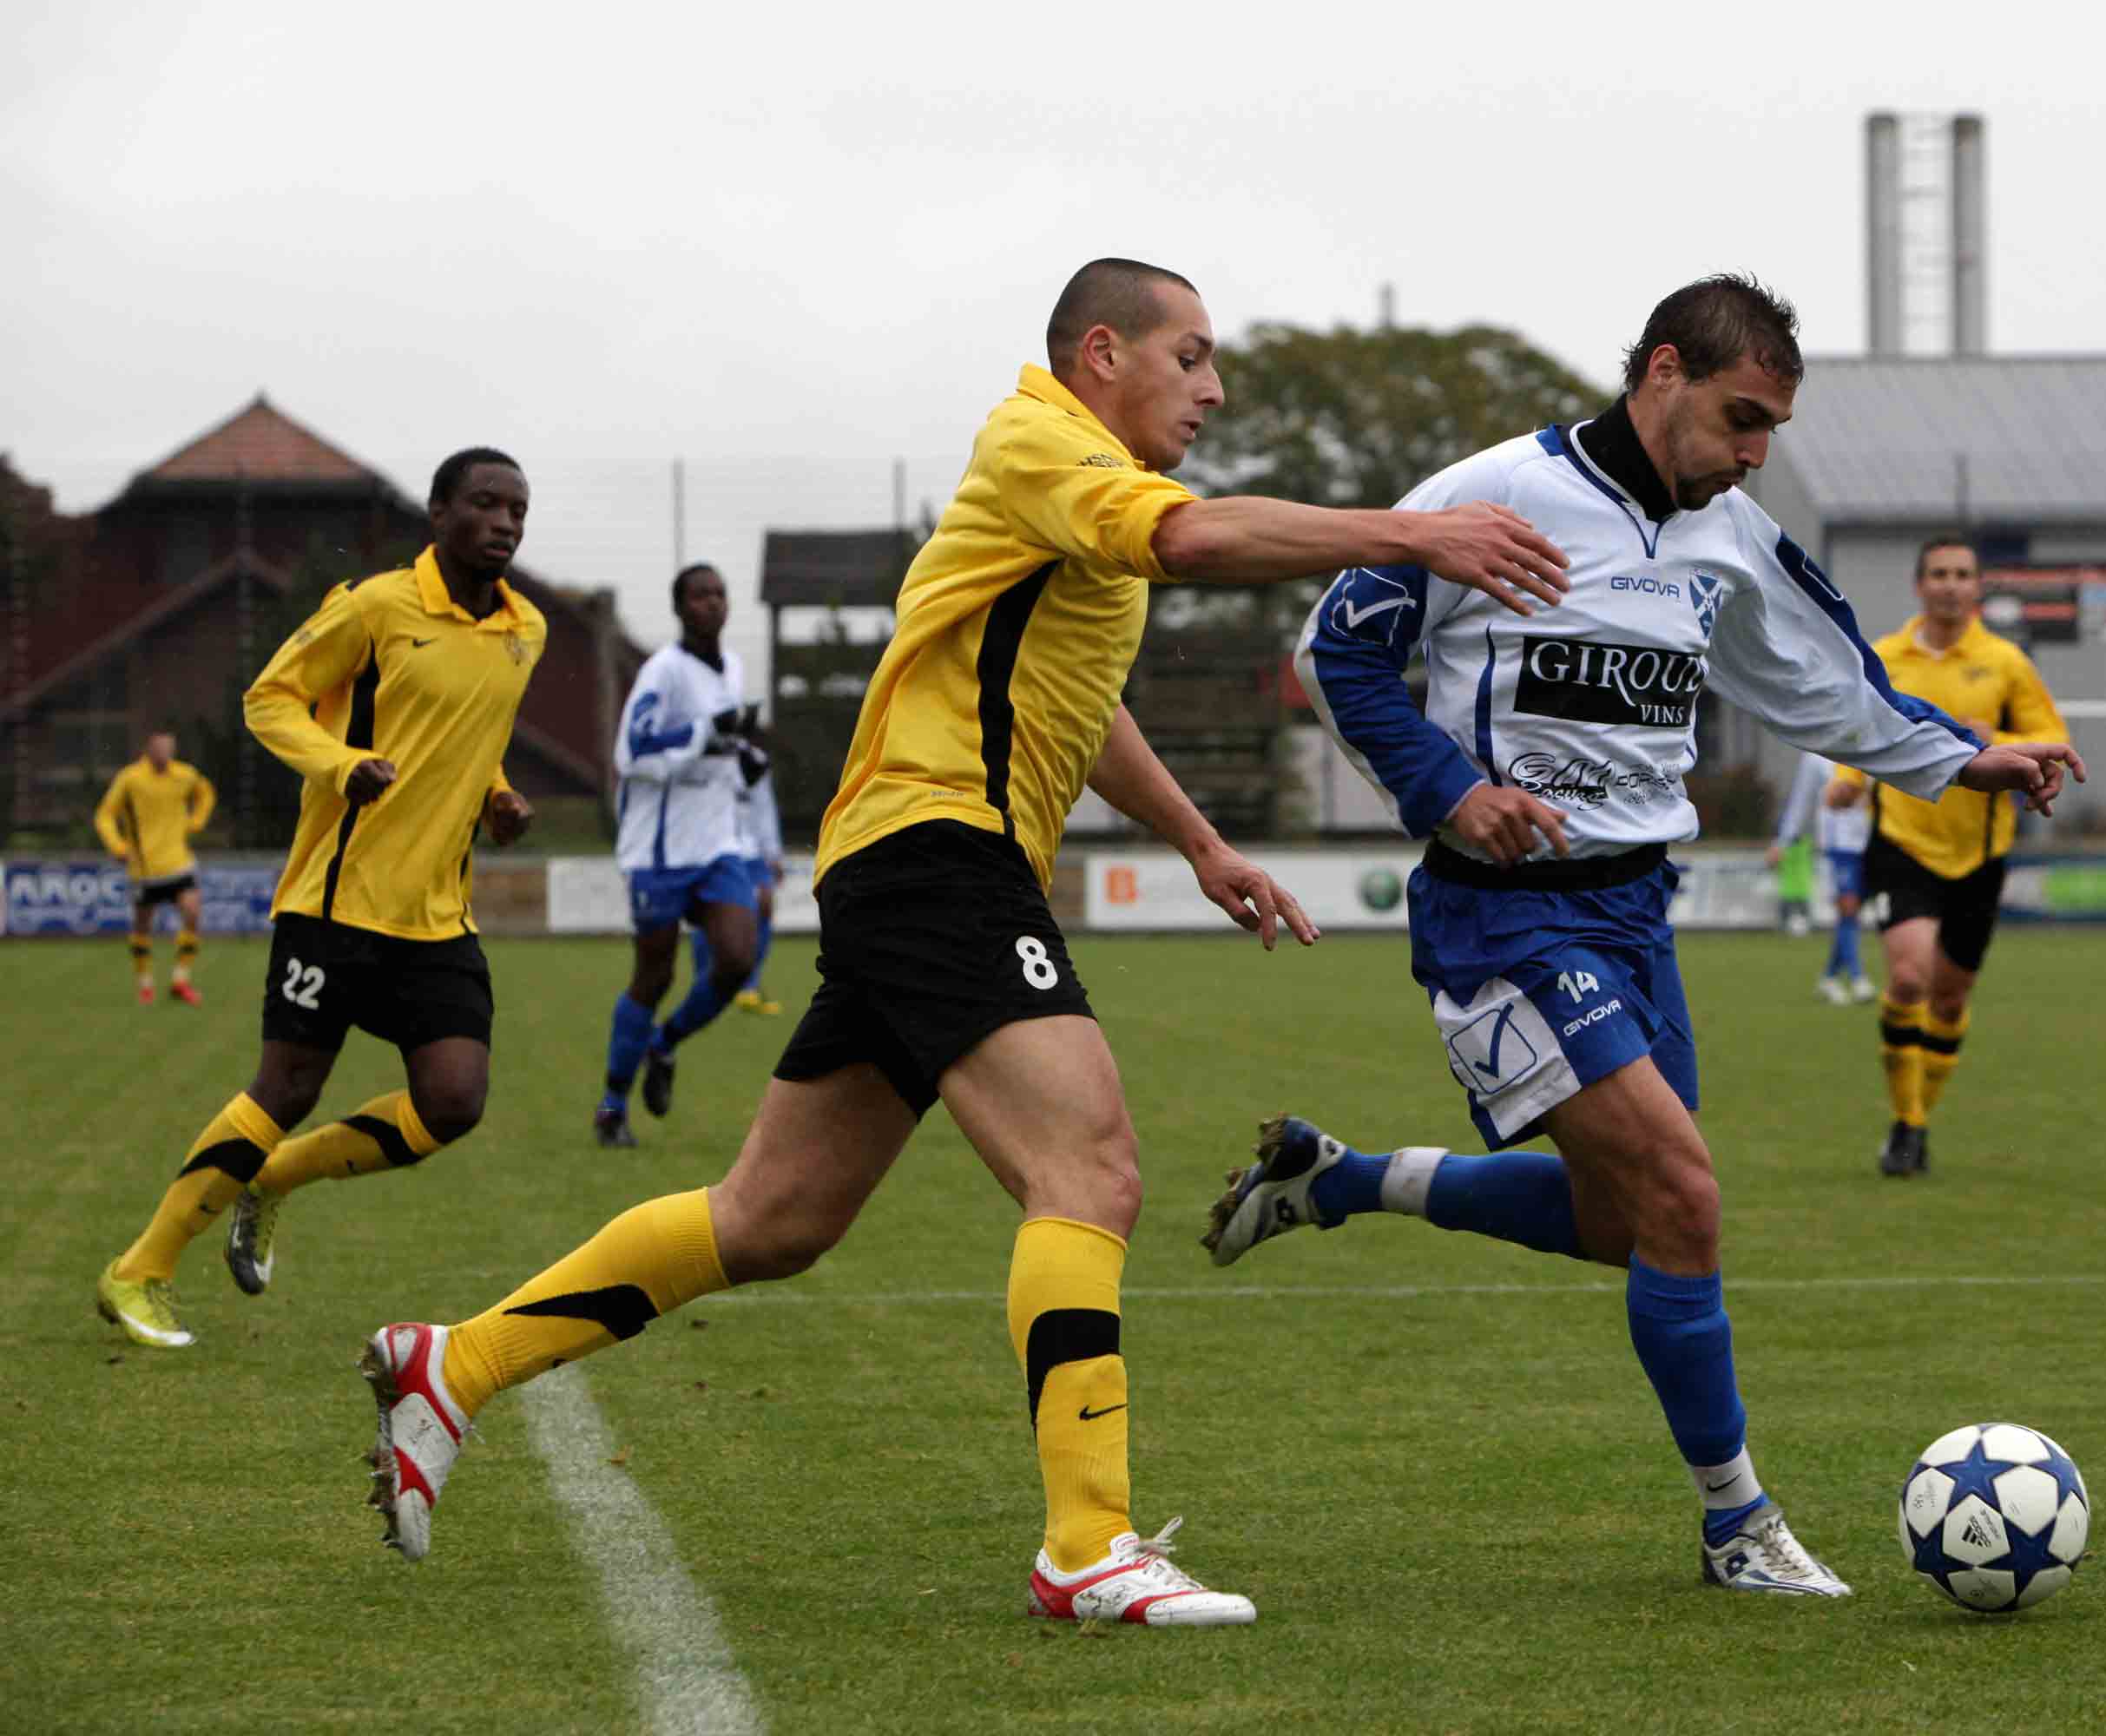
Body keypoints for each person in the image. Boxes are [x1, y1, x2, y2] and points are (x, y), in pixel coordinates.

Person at [352, 258, 1573, 1628]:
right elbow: (1188, 543)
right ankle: (1088, 1544)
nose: (1216, 389)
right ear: (1101, 353)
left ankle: (453, 1366)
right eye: (1191, 357)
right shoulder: (1042, 439)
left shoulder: (1082, 501)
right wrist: (1413, 534)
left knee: (771, 1218)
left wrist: (1201, 843)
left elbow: (1084, 705)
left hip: (915, 863)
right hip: (940, 853)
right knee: (1089, 1168)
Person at [1214, 274, 2083, 1598]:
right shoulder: (1489, 495)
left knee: (1631, 1226)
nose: (1755, 454)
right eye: (1742, 419)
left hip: (1635, 912)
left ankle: (1338, 1182)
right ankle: (1739, 1526)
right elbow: (1338, 654)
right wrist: (1453, 792)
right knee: (1685, 1198)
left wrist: (1962, 756)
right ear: (1663, 372)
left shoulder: (1730, 537)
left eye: (1771, 430)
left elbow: (1825, 681)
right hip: (1502, 914)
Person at [89, 450, 543, 1349]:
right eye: (485, 503)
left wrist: (497, 795)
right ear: (438, 511)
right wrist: (341, 765)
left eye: (518, 509)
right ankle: (139, 1269)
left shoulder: (526, 627)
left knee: (454, 1102)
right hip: (335, 903)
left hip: (437, 916)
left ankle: (275, 1177)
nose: (504, 522)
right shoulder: (375, 607)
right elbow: (269, 700)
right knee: (287, 1084)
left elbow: (471, 730)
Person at [1829, 535, 2069, 1179]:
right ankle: (1906, 1124)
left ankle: (1920, 1118)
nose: (1951, 584)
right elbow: (1857, 726)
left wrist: (2000, 738)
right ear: (1920, 585)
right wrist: (1849, 779)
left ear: (1978, 587)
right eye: (1939, 573)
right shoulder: (1885, 656)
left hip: (1979, 854)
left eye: (1963, 574)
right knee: (1909, 979)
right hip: (1902, 841)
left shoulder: (2005, 663)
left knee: (1951, 1001)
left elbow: (2052, 737)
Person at [594, 565, 765, 1147]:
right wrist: (703, 733)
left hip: (717, 844)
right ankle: (612, 1106)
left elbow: (721, 743)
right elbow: (632, 751)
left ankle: (664, 1045)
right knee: (655, 974)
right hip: (660, 851)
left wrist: (743, 757)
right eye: (700, 595)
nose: (712, 603)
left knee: (737, 959)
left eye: (720, 593)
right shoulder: (662, 672)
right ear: (679, 608)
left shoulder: (732, 667)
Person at [94, 730, 215, 1005]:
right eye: (160, 747)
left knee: (192, 913)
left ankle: (180, 980)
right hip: (145, 869)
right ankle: (145, 984)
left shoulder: (184, 774)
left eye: (169, 748)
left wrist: (197, 820)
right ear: (148, 749)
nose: (165, 752)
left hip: (179, 863)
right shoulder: (130, 779)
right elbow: (104, 815)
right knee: (142, 927)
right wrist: (117, 846)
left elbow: (206, 793)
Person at [1766, 749, 1873, 1003]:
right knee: (1847, 907)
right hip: (1838, 845)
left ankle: (1829, 977)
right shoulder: (1816, 755)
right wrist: (1783, 841)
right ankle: (1858, 979)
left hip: (1868, 842)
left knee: (1851, 913)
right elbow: (1801, 802)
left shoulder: (1868, 745)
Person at [700, 764, 786, 1016]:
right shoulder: (704, 757)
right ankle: (706, 982)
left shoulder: (755, 761)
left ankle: (748, 986)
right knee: (708, 914)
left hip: (751, 850)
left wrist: (773, 852)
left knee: (764, 905)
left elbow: (764, 808)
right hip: (714, 848)